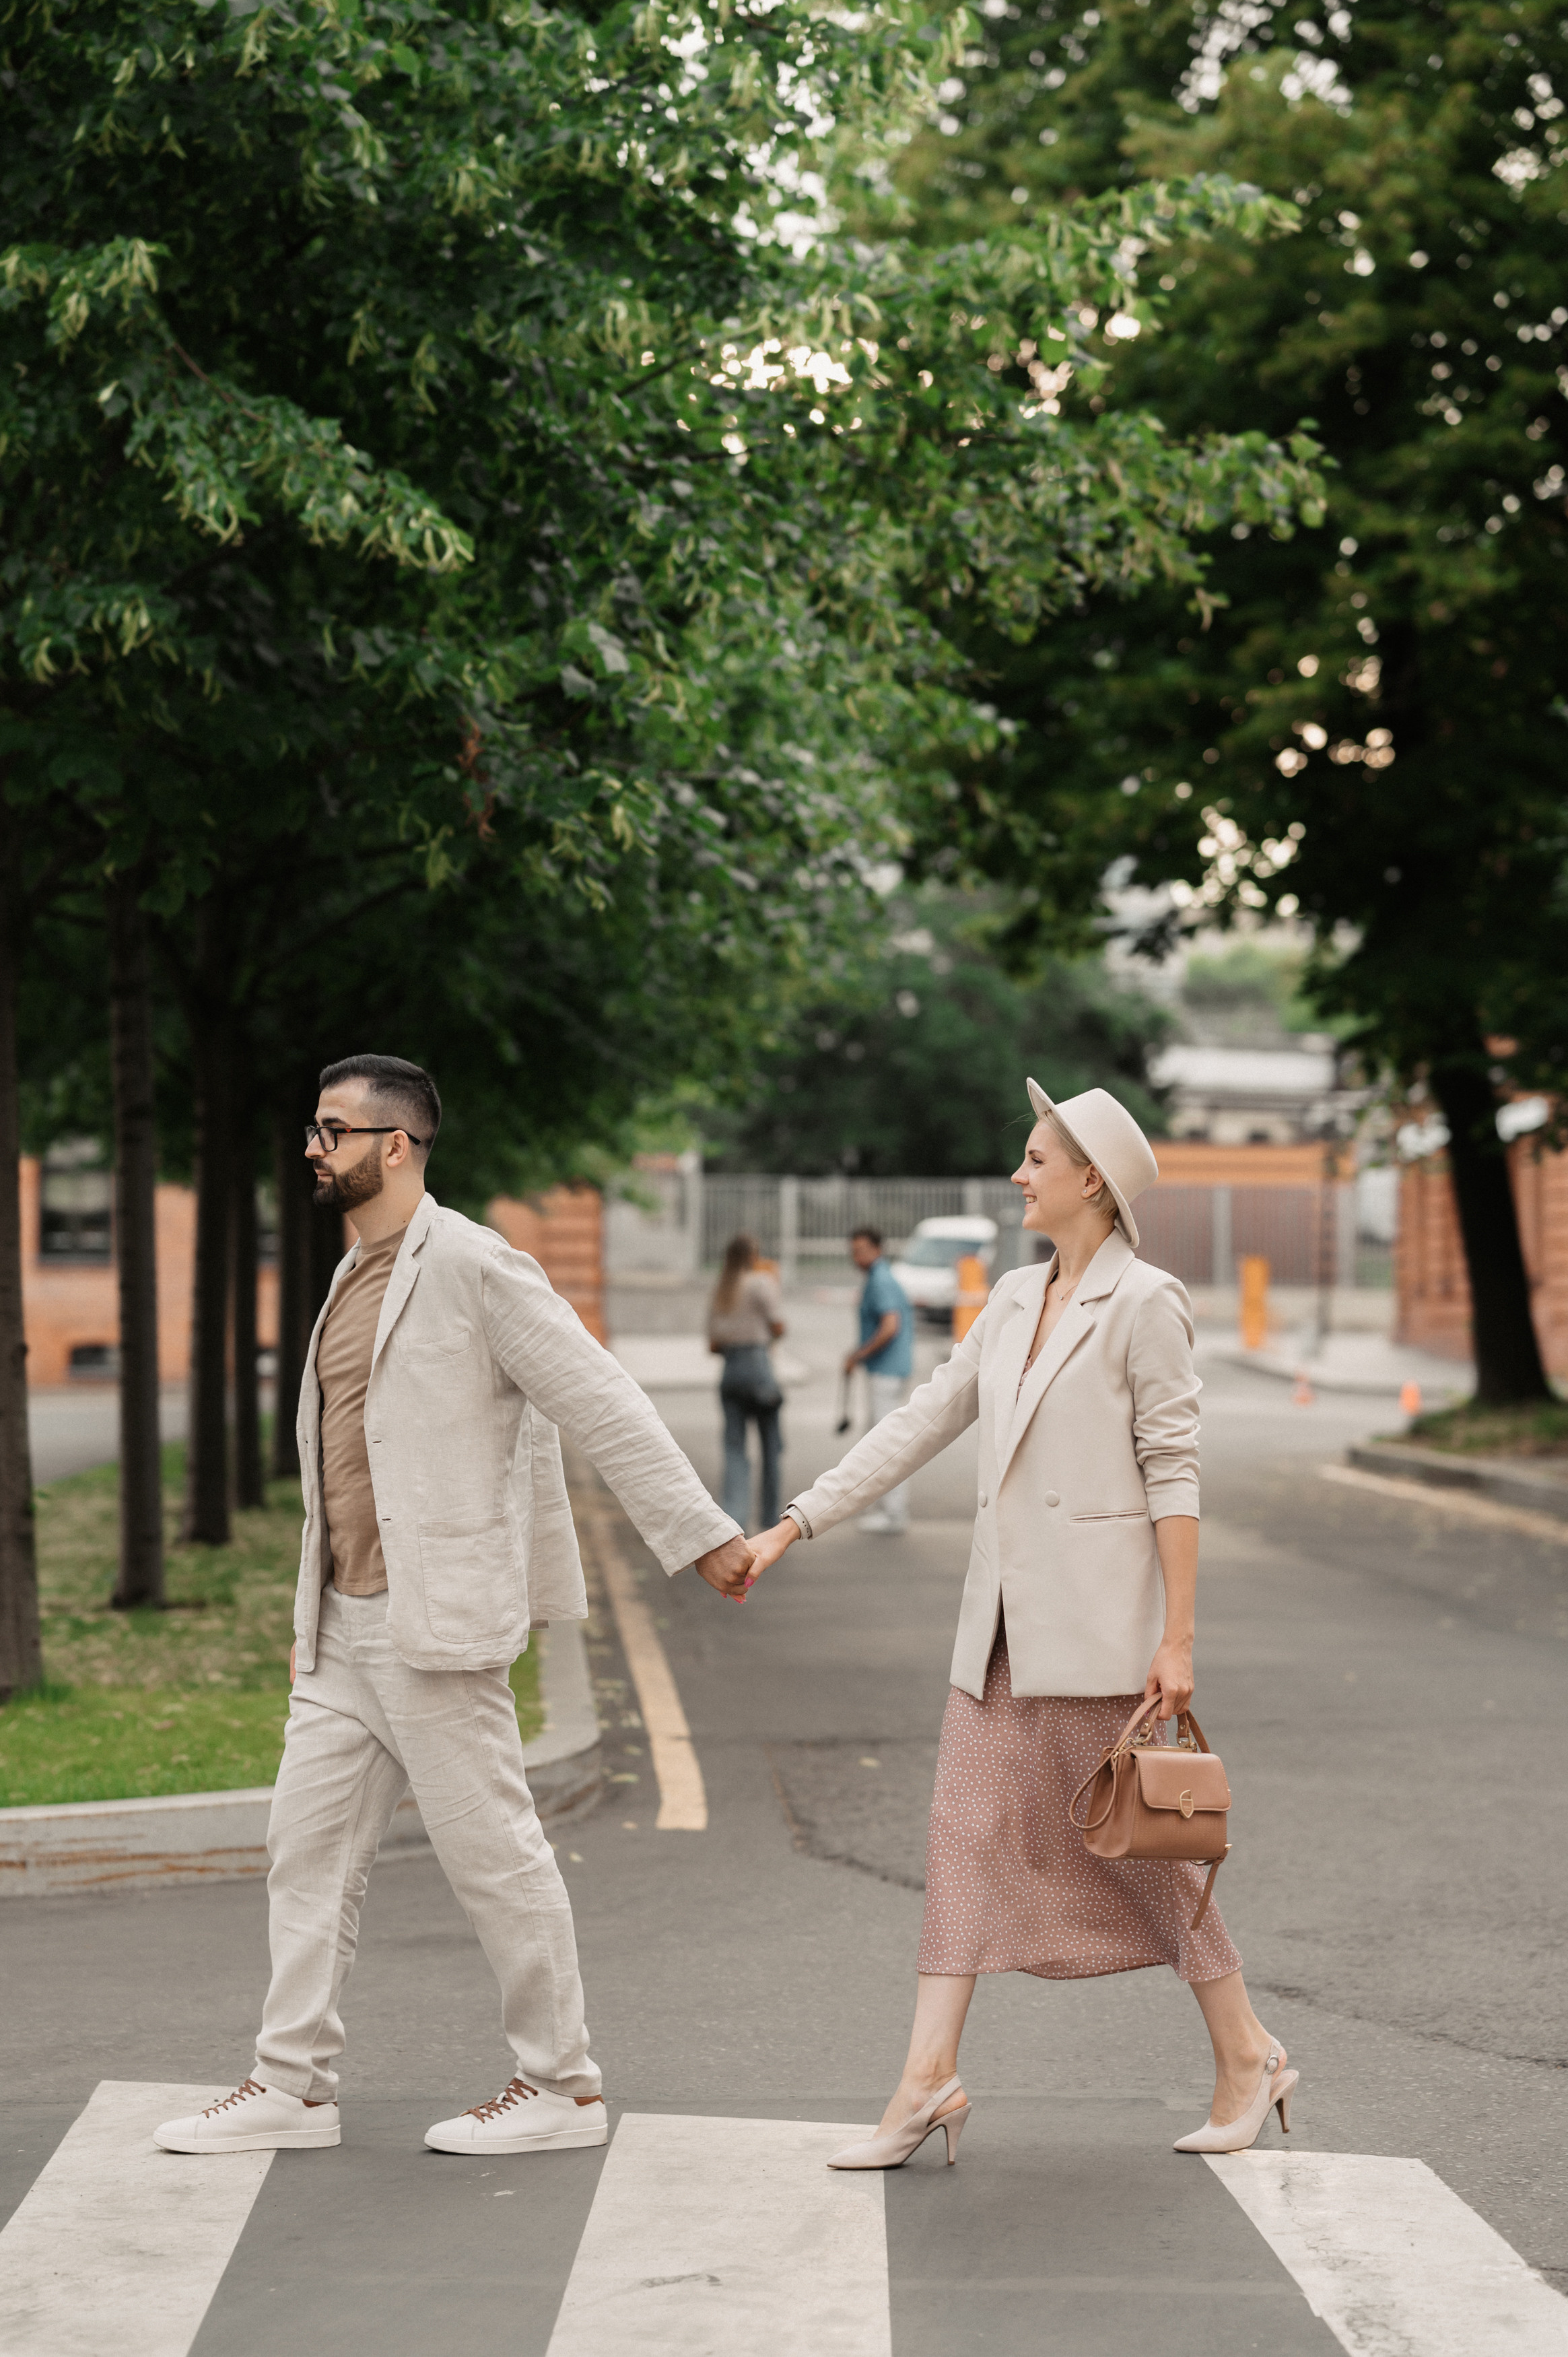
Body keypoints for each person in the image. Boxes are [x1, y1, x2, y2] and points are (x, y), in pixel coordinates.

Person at [155, 1054, 755, 2161]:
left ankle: (562, 2087)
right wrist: (310, 1624)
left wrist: (702, 1537)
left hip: (435, 1626)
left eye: (332, 1131)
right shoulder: (348, 1275)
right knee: (304, 1851)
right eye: (311, 1129)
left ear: (396, 1145)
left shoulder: (477, 1267)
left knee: (493, 1858)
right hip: (342, 1627)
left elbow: (598, 1394)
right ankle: (292, 2085)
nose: (312, 1148)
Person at [743, 1082, 1297, 2166]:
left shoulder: (1147, 1302)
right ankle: (925, 2082)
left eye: (1036, 1160)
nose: (1017, 1176)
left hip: (1096, 1634)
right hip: (995, 1635)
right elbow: (919, 1422)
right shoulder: (1005, 1298)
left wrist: (1177, 1639)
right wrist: (795, 1523)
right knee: (961, 1841)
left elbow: (1173, 1474)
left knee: (1146, 1859)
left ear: (1091, 1179)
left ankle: (1248, 2053)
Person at [708, 1232, 786, 1533]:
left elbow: (713, 1344)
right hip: (758, 1367)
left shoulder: (722, 1288)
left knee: (734, 1449)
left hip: (730, 1371)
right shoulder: (760, 1283)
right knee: (771, 1446)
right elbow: (778, 1325)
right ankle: (769, 1518)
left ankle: (735, 1518)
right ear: (753, 1256)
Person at [844, 1226, 914, 1535]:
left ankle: (893, 1513)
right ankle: (888, 1509)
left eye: (861, 1250)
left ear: (876, 1249)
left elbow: (890, 1326)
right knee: (881, 1440)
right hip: (886, 1370)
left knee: (884, 1443)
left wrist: (859, 1355)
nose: (856, 1257)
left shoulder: (881, 1280)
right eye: (853, 1251)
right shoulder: (878, 1277)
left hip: (886, 1371)